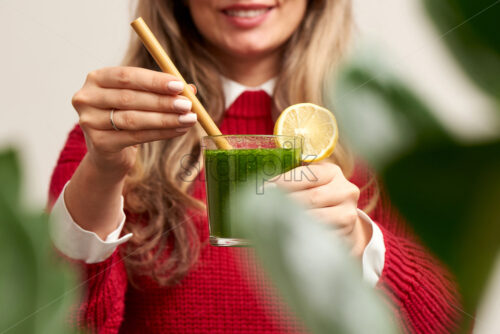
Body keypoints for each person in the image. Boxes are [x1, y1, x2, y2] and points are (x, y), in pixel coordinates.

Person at [48, 0, 461, 333]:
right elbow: (60, 316)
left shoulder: (386, 133)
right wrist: (103, 172)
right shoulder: (112, 133)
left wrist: (361, 245)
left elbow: (450, 320)